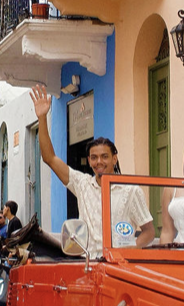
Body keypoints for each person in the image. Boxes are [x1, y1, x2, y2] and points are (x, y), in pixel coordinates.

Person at [30, 84, 153, 257]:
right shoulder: (82, 184)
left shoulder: (131, 191)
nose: (99, 162)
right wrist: (42, 118)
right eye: (94, 158)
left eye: (104, 156)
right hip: (87, 265)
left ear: (114, 158)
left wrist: (130, 250)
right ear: (89, 160)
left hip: (117, 267)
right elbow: (49, 158)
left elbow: (148, 232)